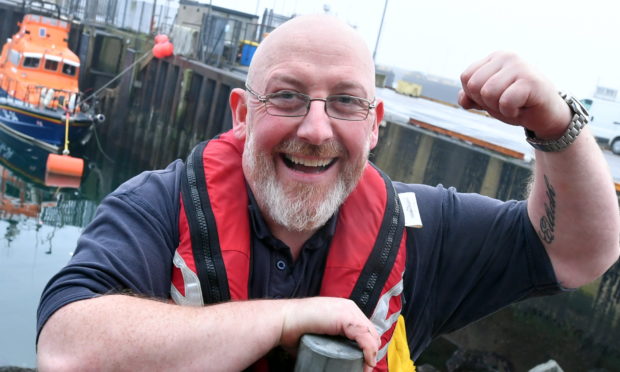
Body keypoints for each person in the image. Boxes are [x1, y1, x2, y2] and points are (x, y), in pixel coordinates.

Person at [36, 14, 619, 371]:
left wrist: (557, 126)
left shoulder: (423, 230)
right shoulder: (156, 206)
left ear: (374, 125)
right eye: (287, 96)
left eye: (345, 102)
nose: (315, 130)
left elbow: (578, 253)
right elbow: (67, 348)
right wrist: (286, 319)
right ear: (241, 114)